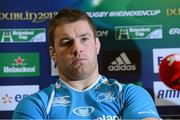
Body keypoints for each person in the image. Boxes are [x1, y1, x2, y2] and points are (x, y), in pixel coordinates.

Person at [13, 8, 161, 120]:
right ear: (53, 53)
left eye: (84, 39)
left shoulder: (130, 94)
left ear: (97, 45)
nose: (77, 49)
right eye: (66, 42)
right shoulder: (35, 105)